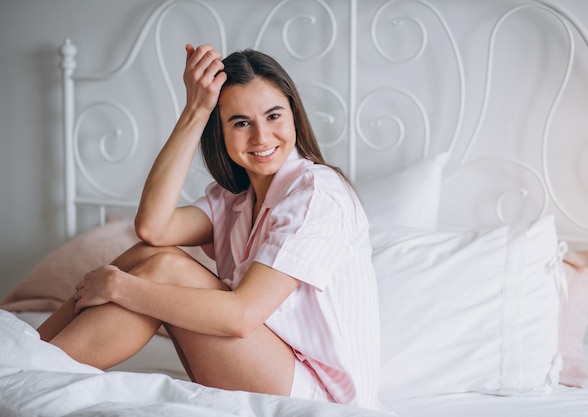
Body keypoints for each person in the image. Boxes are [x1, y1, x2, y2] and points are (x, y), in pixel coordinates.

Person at [38, 44, 383, 410]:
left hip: (321, 398)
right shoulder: (235, 199)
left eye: (273, 116)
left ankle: (33, 369)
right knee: (152, 254)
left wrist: (120, 287)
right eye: (241, 122)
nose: (262, 137)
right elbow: (153, 229)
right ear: (219, 131)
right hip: (260, 366)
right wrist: (195, 109)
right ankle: (32, 351)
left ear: (294, 116)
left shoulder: (316, 193)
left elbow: (242, 317)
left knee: (164, 267)